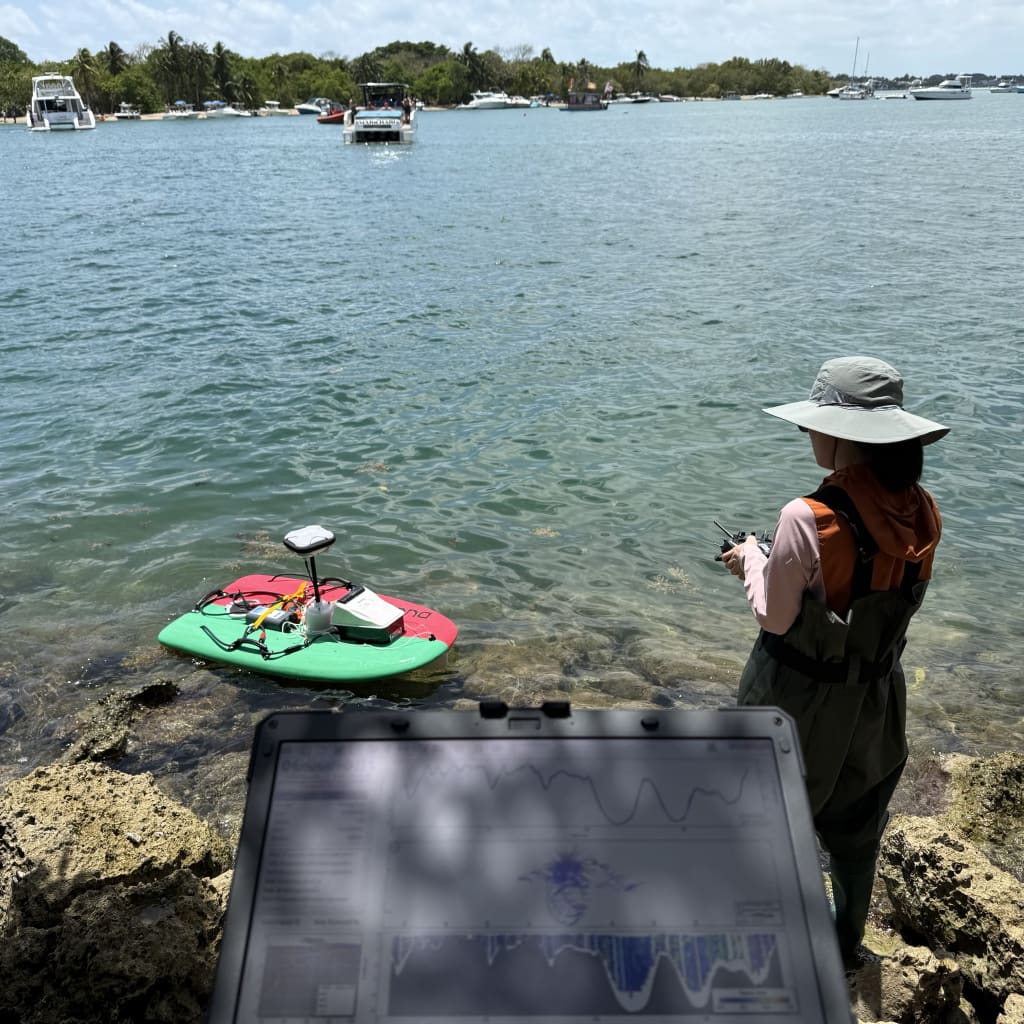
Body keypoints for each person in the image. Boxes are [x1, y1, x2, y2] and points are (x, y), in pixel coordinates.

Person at [720, 355, 948, 969]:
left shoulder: (808, 516)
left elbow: (775, 616)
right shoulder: (925, 512)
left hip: (798, 704)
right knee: (855, 831)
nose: (807, 432)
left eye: (813, 422)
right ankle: (845, 949)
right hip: (877, 702)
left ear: (843, 435)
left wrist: (749, 561)